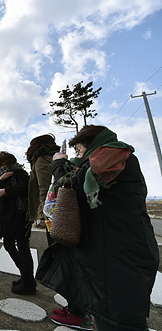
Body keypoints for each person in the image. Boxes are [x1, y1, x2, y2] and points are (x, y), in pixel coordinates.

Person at [37, 125, 159, 331]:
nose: (80, 155)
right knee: (109, 314)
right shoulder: (112, 156)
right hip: (114, 254)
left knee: (118, 319)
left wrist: (58, 165)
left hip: (119, 259)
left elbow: (74, 185)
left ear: (92, 142)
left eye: (80, 150)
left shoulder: (113, 155)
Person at [0, 152, 35, 295]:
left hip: (19, 217)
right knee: (9, 245)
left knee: (23, 247)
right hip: (7, 218)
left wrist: (7, 191)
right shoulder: (3, 176)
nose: (3, 166)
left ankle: (28, 283)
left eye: (5, 163)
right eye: (1, 164)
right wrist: (0, 180)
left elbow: (25, 188)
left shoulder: (20, 173)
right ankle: (26, 277)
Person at [26, 134, 60, 246]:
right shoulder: (52, 157)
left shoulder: (42, 159)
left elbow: (44, 189)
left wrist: (45, 216)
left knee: (54, 248)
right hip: (56, 210)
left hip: (51, 213)